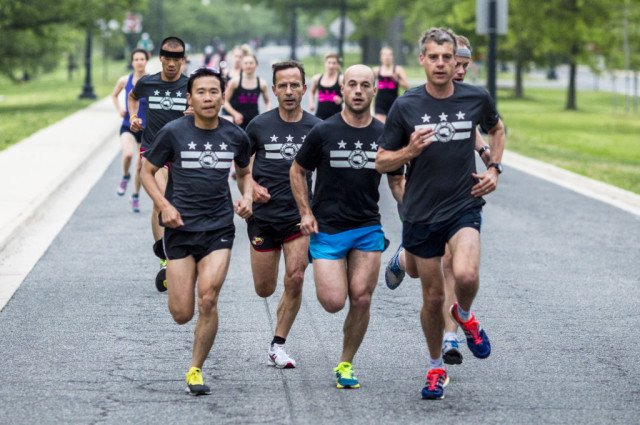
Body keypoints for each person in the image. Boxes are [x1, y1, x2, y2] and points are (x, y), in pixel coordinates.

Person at [375, 27, 505, 400]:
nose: (441, 64)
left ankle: (463, 315)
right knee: (432, 299)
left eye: (448, 58)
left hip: (463, 204)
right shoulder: (406, 105)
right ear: (422, 60)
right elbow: (382, 161)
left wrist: (494, 168)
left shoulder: (475, 97)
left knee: (464, 272)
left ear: (457, 62)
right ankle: (435, 368)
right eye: (434, 57)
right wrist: (408, 153)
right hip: (420, 211)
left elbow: (497, 130)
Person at [140, 67, 253, 396]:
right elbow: (148, 171)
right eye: (200, 92)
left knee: (208, 299)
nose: (208, 97)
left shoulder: (235, 136)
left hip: (218, 228)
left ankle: (195, 369)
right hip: (180, 229)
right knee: (181, 312)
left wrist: (246, 196)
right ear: (189, 98)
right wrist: (163, 204)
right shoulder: (174, 132)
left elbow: (245, 172)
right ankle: (181, 292)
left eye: (214, 91)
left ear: (222, 96)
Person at [291, 64, 403, 389]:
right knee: (333, 302)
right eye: (351, 84)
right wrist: (306, 212)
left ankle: (345, 363)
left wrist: (412, 212)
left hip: (367, 226)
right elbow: (297, 170)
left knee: (362, 298)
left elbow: (397, 180)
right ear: (341, 89)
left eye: (364, 85)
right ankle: (325, 262)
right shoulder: (324, 131)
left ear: (373, 91)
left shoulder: (385, 135)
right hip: (327, 228)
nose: (357, 90)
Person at [245, 61, 321, 368]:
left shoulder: (316, 128)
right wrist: (250, 188)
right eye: (283, 86)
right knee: (265, 288)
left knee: (297, 277)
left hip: (298, 217)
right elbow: (240, 168)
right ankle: (279, 327)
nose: (289, 92)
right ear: (273, 89)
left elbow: (328, 174)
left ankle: (278, 343)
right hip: (263, 217)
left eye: (295, 85)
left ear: (304, 89)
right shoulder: (258, 126)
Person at [128, 36, 190, 291]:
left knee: (182, 204)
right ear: (161, 58)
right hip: (153, 150)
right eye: (169, 58)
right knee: (160, 201)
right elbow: (132, 97)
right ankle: (165, 259)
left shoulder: (190, 84)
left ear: (182, 60)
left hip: (183, 151)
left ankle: (182, 252)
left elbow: (211, 106)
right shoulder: (148, 82)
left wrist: (195, 111)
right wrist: (133, 115)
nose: (172, 63)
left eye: (178, 59)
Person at [111, 48, 149, 212]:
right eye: (136, 59)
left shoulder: (151, 81)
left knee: (140, 166)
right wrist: (120, 109)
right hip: (128, 124)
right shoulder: (124, 80)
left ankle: (135, 195)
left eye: (142, 59)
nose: (139, 62)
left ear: (146, 61)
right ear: (132, 62)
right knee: (127, 154)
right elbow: (114, 95)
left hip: (145, 128)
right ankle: (125, 176)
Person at [224, 54, 272, 130]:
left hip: (254, 121)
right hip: (238, 122)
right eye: (246, 63)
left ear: (256, 65)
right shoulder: (234, 82)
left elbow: (268, 102)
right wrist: (235, 114)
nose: (248, 66)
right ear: (242, 66)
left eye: (251, 63)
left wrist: (267, 115)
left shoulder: (262, 83)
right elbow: (225, 101)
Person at [372, 47, 409, 123]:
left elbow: (407, 86)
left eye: (389, 55)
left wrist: (397, 80)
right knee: (381, 127)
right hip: (380, 103)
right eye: (385, 54)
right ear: (381, 57)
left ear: (392, 57)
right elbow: (368, 84)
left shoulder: (398, 69)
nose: (387, 57)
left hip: (393, 103)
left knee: (392, 127)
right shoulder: (376, 70)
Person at [308, 53, 344, 120]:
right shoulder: (317, 78)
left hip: (336, 118)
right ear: (325, 63)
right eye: (329, 63)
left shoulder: (341, 79)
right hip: (320, 116)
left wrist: (342, 100)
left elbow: (349, 95)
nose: (331, 66)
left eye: (334, 63)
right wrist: (311, 103)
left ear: (337, 65)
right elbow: (312, 92)